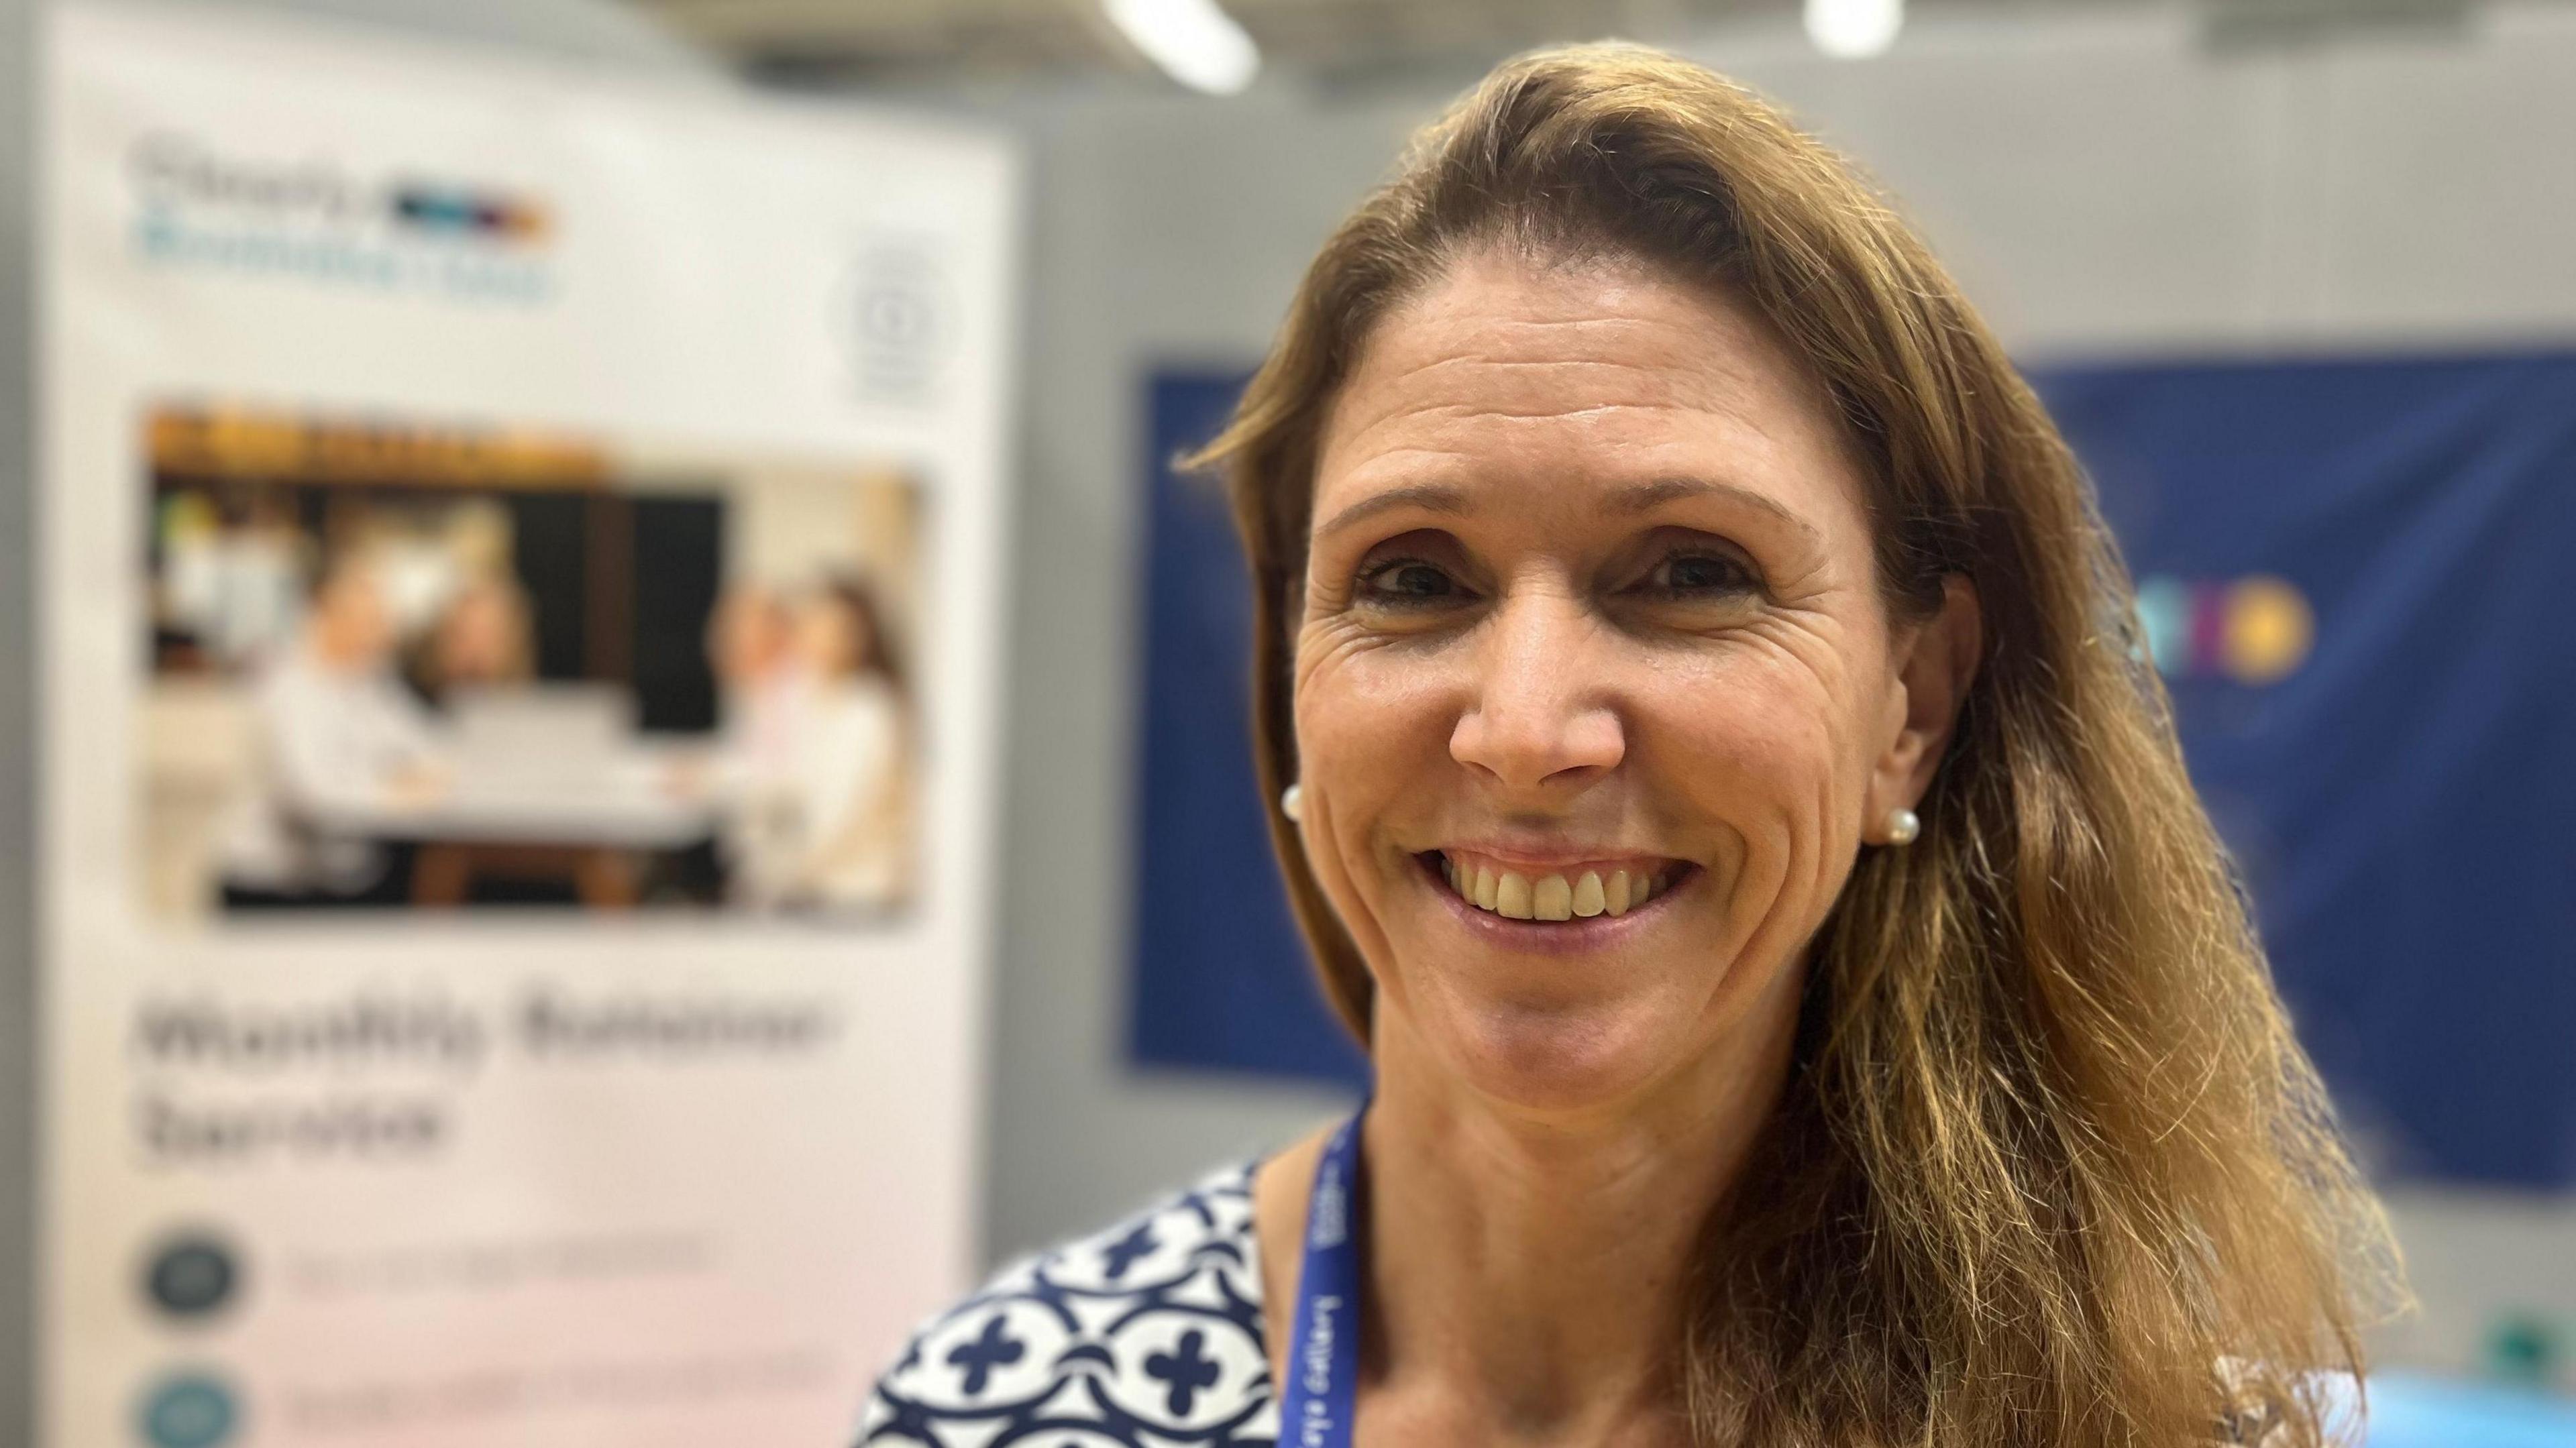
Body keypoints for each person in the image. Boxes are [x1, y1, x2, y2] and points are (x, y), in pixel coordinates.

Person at [859, 44, 2396, 1448]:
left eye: (1689, 571)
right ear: (1288, 686)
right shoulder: (1004, 1407)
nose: (1525, 731)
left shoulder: (2130, 1432)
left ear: (1908, 709)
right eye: (1410, 579)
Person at [218, 553, 449, 907]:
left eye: (384, 619)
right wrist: (395, 793)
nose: (384, 634)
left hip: (348, 879)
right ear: (328, 608)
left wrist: (412, 777)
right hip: (275, 890)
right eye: (371, 619)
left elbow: (429, 748)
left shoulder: (368, 679)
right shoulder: (284, 681)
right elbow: (313, 795)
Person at [727, 574, 913, 911]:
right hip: (816, 886)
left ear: (854, 636)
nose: (806, 636)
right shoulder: (822, 702)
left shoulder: (869, 711)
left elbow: (838, 819)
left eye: (822, 624)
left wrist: (783, 875)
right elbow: (790, 787)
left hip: (856, 894)